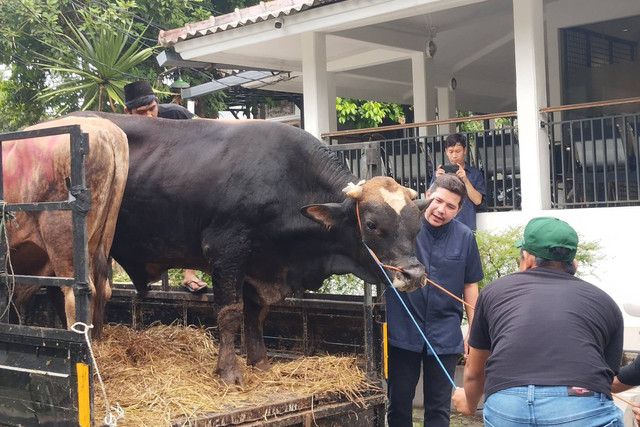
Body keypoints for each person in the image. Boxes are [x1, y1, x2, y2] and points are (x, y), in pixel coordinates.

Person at [453, 217, 625, 426]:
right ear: (573, 262)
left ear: (527, 259)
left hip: (507, 406)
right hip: (579, 402)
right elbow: (607, 379)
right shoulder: (604, 301)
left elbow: (475, 368)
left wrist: (469, 402)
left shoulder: (493, 291)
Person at [386, 174, 483, 427]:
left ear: (459, 210)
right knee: (398, 405)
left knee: (439, 411)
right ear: (427, 196)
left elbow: (470, 285)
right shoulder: (402, 226)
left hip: (444, 334)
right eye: (438, 201)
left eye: (451, 206)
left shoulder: (464, 237)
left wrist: (474, 330)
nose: (441, 210)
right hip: (402, 330)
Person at [123, 80, 207, 294]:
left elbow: (206, 132)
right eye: (142, 112)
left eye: (152, 108)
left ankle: (190, 274)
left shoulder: (177, 114)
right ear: (128, 112)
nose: (150, 115)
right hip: (144, 188)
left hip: (182, 181)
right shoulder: (119, 129)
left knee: (195, 214)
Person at [432, 133, 485, 230]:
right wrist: (437, 180)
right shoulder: (439, 173)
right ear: (446, 151)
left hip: (466, 225)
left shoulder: (474, 173)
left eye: (457, 151)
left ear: (464, 150)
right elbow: (430, 199)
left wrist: (465, 180)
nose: (454, 155)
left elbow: (477, 201)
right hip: (442, 226)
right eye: (450, 151)